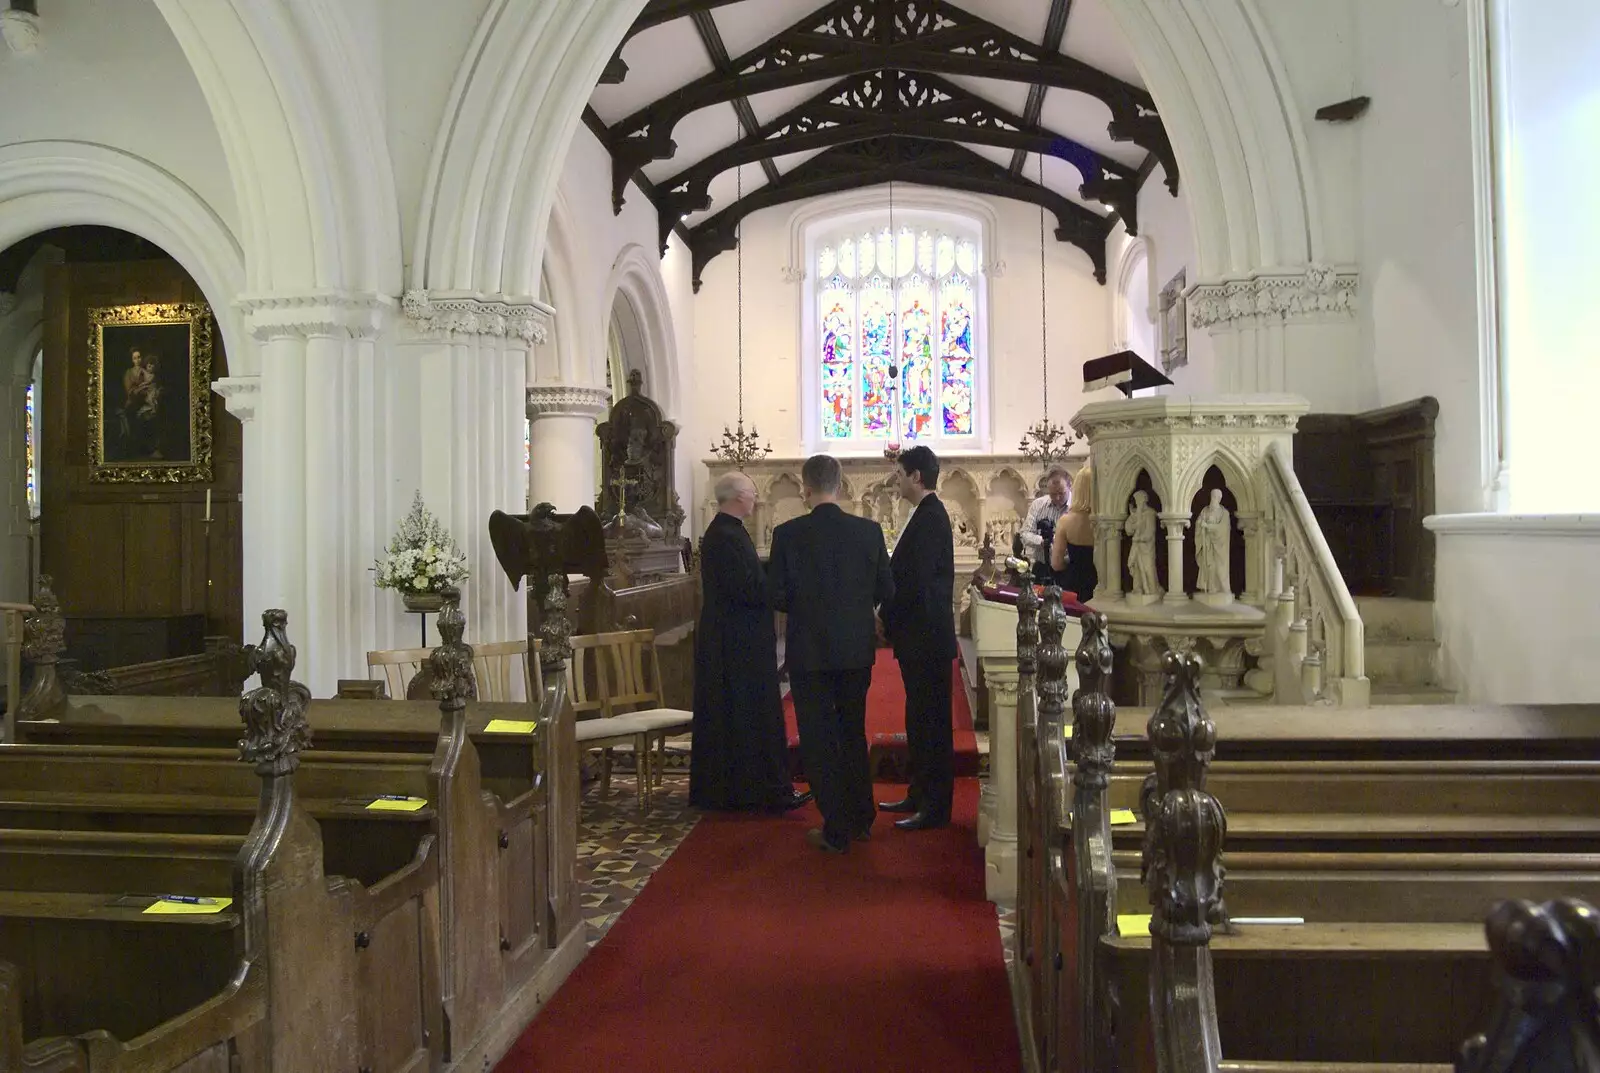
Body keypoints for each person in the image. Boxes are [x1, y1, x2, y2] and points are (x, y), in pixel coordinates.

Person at [766, 454, 894, 854]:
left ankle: (835, 826)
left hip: (810, 652)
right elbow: (886, 590)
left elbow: (776, 594)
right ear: (839, 487)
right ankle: (861, 818)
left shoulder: (788, 534)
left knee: (819, 738)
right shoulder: (868, 532)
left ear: (806, 487)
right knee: (852, 731)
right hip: (855, 650)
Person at [690, 472, 811, 813]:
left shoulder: (728, 532)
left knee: (745, 712)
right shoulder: (725, 535)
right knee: (747, 711)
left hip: (738, 636)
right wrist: (788, 587)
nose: (757, 498)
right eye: (752, 492)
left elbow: (750, 577)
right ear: (737, 496)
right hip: (736, 640)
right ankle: (761, 791)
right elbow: (747, 587)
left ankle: (754, 789)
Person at [877, 445, 958, 831]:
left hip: (926, 637)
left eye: (899, 474)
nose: (896, 481)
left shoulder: (930, 517)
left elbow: (914, 583)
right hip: (920, 637)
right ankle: (919, 792)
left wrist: (885, 616)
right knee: (919, 718)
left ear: (916, 477)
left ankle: (935, 807)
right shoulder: (923, 514)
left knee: (932, 722)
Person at [1050, 466, 1098, 602]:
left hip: (1074, 586)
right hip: (1103, 585)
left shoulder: (1066, 521)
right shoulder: (1106, 521)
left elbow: (1056, 564)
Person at [1019, 468, 1071, 583]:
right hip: (1042, 567)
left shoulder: (1077, 508)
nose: (1057, 498)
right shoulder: (1038, 505)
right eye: (1053, 494)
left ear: (1069, 486)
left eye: (1061, 493)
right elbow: (1024, 534)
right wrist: (1042, 542)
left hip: (1069, 569)